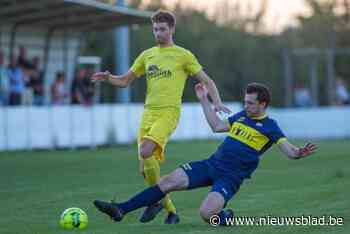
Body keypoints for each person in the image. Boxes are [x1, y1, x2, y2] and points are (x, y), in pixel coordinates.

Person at [93, 83, 317, 225]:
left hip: (230, 177)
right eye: (245, 102)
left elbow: (289, 151)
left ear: (263, 104)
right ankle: (120, 209)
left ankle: (225, 218)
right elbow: (217, 126)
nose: (246, 105)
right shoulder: (241, 116)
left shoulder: (270, 126)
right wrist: (204, 100)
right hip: (211, 165)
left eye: (250, 103)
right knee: (167, 181)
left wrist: (299, 152)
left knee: (206, 214)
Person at [91, 10, 229, 224]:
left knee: (145, 150)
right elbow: (125, 81)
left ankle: (154, 203)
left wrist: (217, 101)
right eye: (155, 29)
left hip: (168, 113)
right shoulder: (147, 55)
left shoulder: (183, 55)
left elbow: (207, 80)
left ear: (172, 29)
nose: (158, 33)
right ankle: (169, 210)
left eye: (162, 29)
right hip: (148, 114)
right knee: (146, 169)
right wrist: (108, 78)